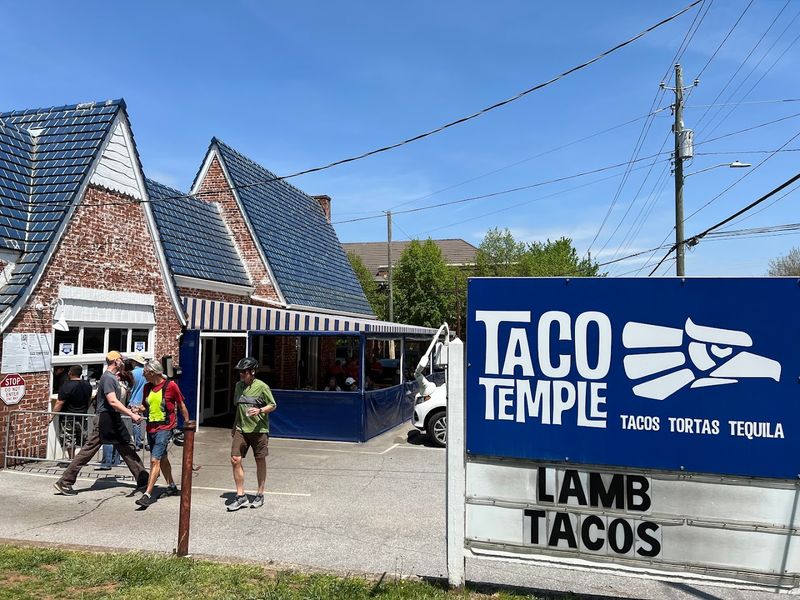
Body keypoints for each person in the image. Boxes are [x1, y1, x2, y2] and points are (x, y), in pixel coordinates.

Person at [53, 351, 148, 496]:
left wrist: (129, 409)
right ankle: (65, 481)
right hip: (106, 418)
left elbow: (115, 402)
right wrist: (131, 414)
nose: (123, 363)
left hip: (112, 417)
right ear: (116, 361)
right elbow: (112, 401)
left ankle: (143, 479)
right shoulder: (108, 378)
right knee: (89, 450)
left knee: (127, 447)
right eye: (121, 360)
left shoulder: (112, 378)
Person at [134, 359, 189, 508]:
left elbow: (181, 404)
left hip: (165, 428)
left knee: (154, 460)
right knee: (163, 458)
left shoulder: (171, 386)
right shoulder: (147, 387)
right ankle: (171, 486)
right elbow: (146, 406)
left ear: (152, 372)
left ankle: (147, 494)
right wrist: (138, 409)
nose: (143, 374)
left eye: (145, 372)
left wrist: (187, 424)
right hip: (151, 428)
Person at [228, 356, 276, 511]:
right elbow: (239, 408)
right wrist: (235, 426)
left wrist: (260, 410)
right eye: (240, 372)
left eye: (244, 372)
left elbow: (273, 405)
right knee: (235, 459)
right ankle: (240, 496)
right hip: (241, 429)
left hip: (259, 430)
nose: (241, 374)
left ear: (252, 372)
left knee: (259, 460)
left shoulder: (262, 387)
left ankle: (260, 494)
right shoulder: (238, 386)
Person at [97, 361, 132, 470]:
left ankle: (107, 462)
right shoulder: (110, 379)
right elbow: (116, 400)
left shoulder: (111, 380)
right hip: (113, 413)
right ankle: (113, 461)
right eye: (121, 360)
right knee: (120, 441)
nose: (123, 363)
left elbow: (113, 401)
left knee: (113, 441)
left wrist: (130, 413)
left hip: (112, 414)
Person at [52, 366, 92, 459]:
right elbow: (89, 400)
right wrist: (85, 409)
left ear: (70, 373)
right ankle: (81, 459)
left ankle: (72, 459)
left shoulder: (66, 386)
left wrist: (51, 416)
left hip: (68, 417)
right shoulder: (87, 385)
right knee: (82, 439)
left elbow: (59, 403)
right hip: (82, 416)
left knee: (69, 440)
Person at [126, 354, 147, 450]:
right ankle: (149, 442)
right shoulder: (147, 372)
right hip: (146, 401)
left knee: (136, 423)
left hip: (135, 400)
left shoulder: (132, 373)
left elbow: (129, 388)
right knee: (150, 421)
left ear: (135, 362)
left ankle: (137, 443)